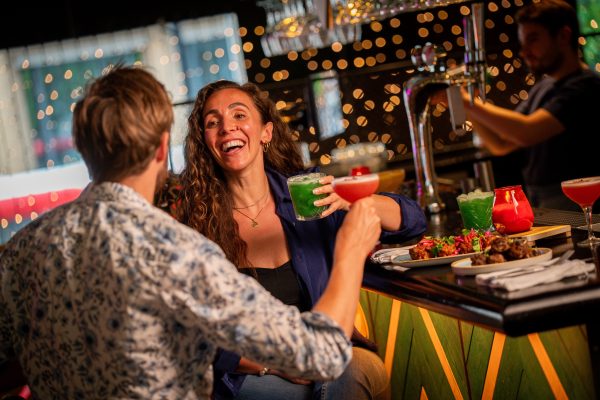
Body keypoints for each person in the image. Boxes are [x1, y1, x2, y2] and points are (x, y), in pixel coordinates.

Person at [0, 66, 384, 399]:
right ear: (161, 148)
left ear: (83, 149)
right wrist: (350, 248)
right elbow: (321, 355)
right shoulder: (175, 250)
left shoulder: (20, 251)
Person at [173, 79, 427, 399]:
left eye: (239, 116)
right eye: (213, 122)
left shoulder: (306, 195)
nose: (227, 128)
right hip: (251, 372)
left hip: (333, 357)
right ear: (205, 141)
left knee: (347, 373)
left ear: (266, 132)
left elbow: (414, 222)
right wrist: (272, 363)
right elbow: (191, 332)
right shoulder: (195, 224)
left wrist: (357, 201)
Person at [457, 0, 600, 210]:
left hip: (578, 202)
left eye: (533, 40)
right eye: (523, 44)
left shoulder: (586, 86)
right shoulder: (544, 85)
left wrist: (466, 102)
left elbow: (527, 131)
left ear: (563, 36)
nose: (524, 52)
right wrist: (466, 106)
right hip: (541, 199)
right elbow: (502, 143)